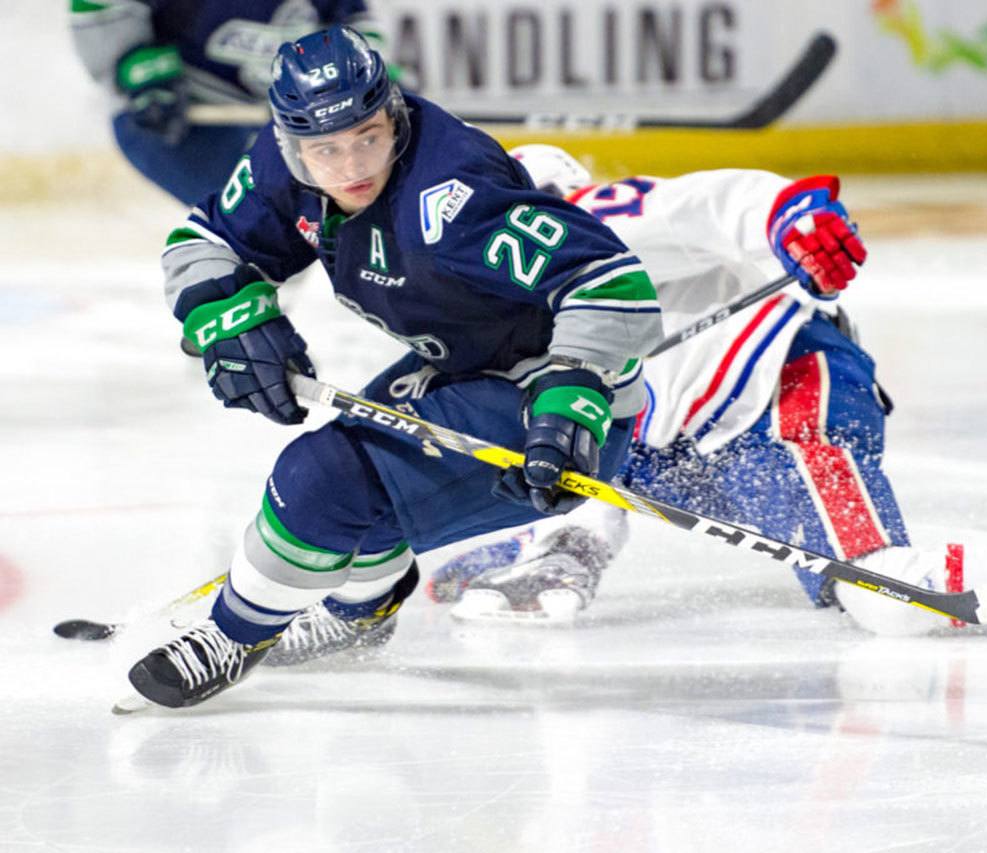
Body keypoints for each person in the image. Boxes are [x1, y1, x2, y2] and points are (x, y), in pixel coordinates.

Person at [414, 145, 987, 639]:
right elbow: (604, 437)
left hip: (785, 395)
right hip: (707, 445)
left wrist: (792, 219)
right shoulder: (506, 302)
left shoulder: (591, 220)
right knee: (848, 581)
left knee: (886, 596)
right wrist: (565, 542)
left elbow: (719, 202)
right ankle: (565, 544)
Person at [125, 27, 662, 708]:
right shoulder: (280, 164)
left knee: (320, 478)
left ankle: (231, 637)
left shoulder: (450, 199)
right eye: (325, 148)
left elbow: (608, 283)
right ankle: (361, 613)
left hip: (545, 399)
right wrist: (227, 318)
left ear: (395, 115)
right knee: (355, 483)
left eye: (368, 136)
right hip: (461, 365)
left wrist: (574, 394)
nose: (352, 164)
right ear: (291, 143)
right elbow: (204, 240)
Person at [70, 0, 386, 206]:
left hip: (285, 117)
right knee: (255, 226)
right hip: (187, 117)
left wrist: (366, 65)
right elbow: (99, 8)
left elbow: (348, 17)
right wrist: (138, 66)